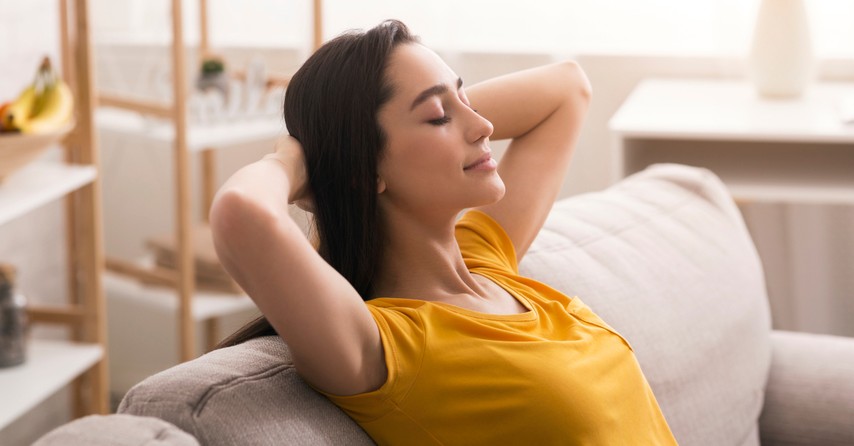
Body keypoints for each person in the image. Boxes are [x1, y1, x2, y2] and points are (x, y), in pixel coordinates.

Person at [210, 19, 677, 445]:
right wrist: (299, 160)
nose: (485, 127)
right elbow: (241, 214)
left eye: (465, 99)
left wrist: (435, 118)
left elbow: (567, 87)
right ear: (365, 170)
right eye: (438, 116)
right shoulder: (387, 345)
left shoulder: (486, 260)